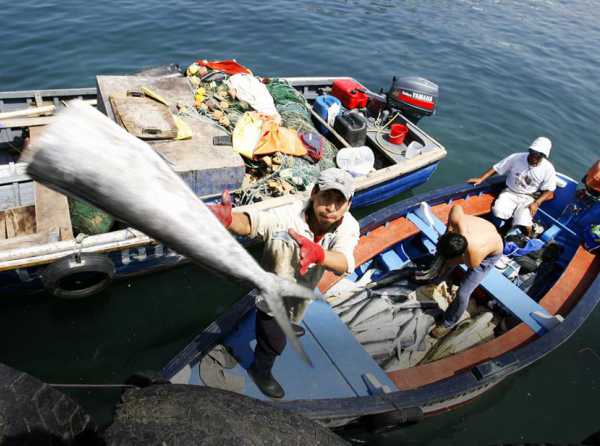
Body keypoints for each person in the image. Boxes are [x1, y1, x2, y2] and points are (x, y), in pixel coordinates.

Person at [208, 168, 359, 398]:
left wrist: (319, 255)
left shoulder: (348, 225)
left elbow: (345, 262)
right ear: (314, 193)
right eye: (327, 197)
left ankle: (290, 322)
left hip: (303, 291)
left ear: (348, 204)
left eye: (340, 201)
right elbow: (253, 223)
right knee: (273, 342)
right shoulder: (287, 216)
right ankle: (261, 370)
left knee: (296, 313)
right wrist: (228, 219)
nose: (331, 208)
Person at [429, 205, 504, 338]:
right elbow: (457, 207)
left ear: (460, 256)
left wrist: (450, 262)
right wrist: (449, 231)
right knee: (442, 258)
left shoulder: (474, 254)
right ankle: (435, 280)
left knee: (464, 292)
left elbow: (470, 265)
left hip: (490, 252)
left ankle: (448, 322)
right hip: (482, 230)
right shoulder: (457, 220)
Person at [467, 137, 557, 236]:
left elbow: (550, 189)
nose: (535, 156)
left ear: (544, 156)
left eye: (539, 155)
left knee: (524, 222)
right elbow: (497, 168)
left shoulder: (548, 169)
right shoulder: (517, 157)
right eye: (533, 153)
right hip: (510, 191)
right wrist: (481, 178)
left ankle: (529, 235)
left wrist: (537, 203)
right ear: (530, 150)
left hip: (528, 197)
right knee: (498, 211)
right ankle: (498, 229)